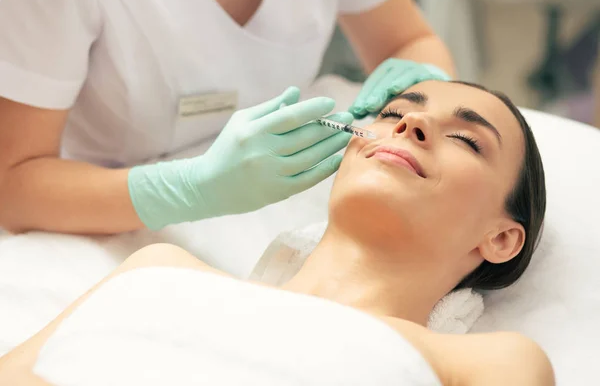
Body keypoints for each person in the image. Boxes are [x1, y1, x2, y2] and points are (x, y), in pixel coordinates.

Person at [0, 81, 553, 385]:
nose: (412, 124)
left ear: (502, 238)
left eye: (467, 140)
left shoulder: (491, 364)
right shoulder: (157, 269)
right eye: (392, 113)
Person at [0, 0, 455, 235]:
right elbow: (11, 184)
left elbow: (408, 40)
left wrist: (424, 84)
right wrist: (188, 189)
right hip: (94, 214)